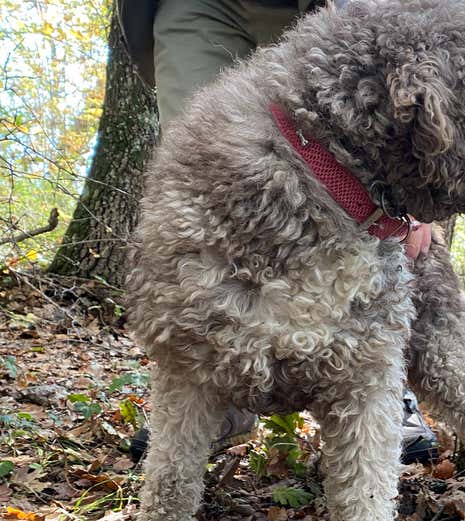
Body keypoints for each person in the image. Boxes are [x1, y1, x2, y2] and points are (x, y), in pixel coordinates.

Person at [120, 0, 437, 464]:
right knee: (201, 197)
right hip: (199, 6)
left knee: (352, 180)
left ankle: (378, 385)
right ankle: (215, 389)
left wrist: (421, 193)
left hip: (341, 8)